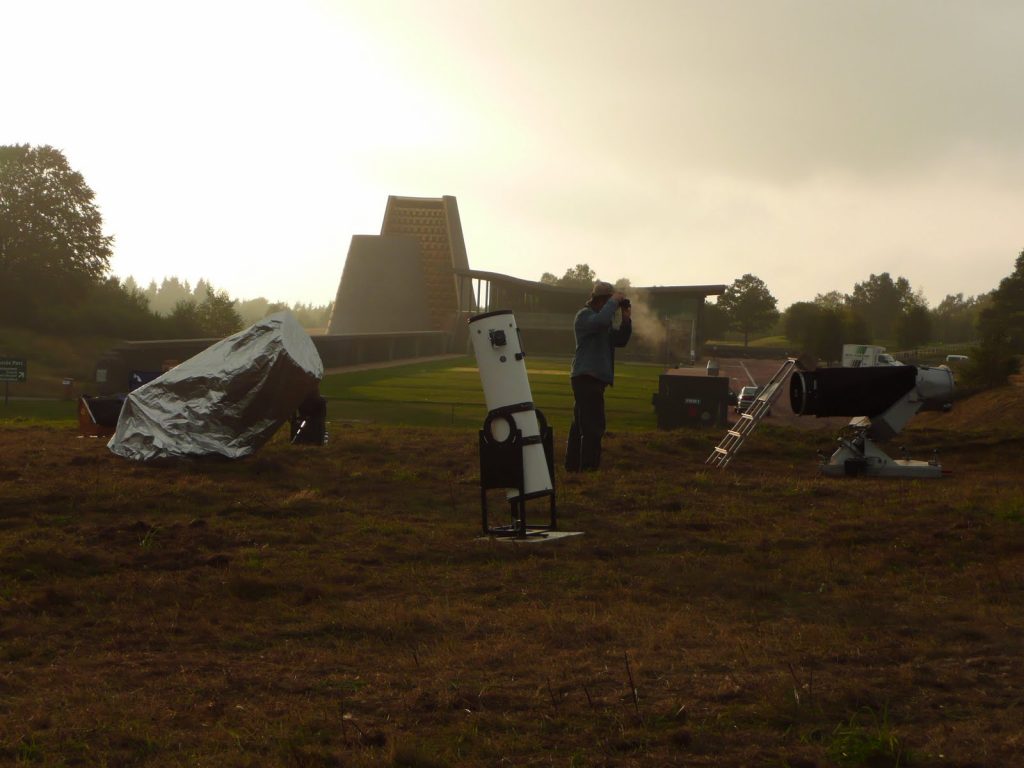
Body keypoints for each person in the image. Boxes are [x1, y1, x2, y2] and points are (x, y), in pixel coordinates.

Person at [565, 281, 632, 471]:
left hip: (592, 380)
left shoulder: (604, 321)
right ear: (600, 300)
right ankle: (588, 469)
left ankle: (573, 467)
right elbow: (600, 321)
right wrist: (614, 301)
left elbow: (620, 340)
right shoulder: (584, 316)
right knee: (594, 426)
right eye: (608, 301)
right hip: (586, 377)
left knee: (580, 425)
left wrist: (626, 319)